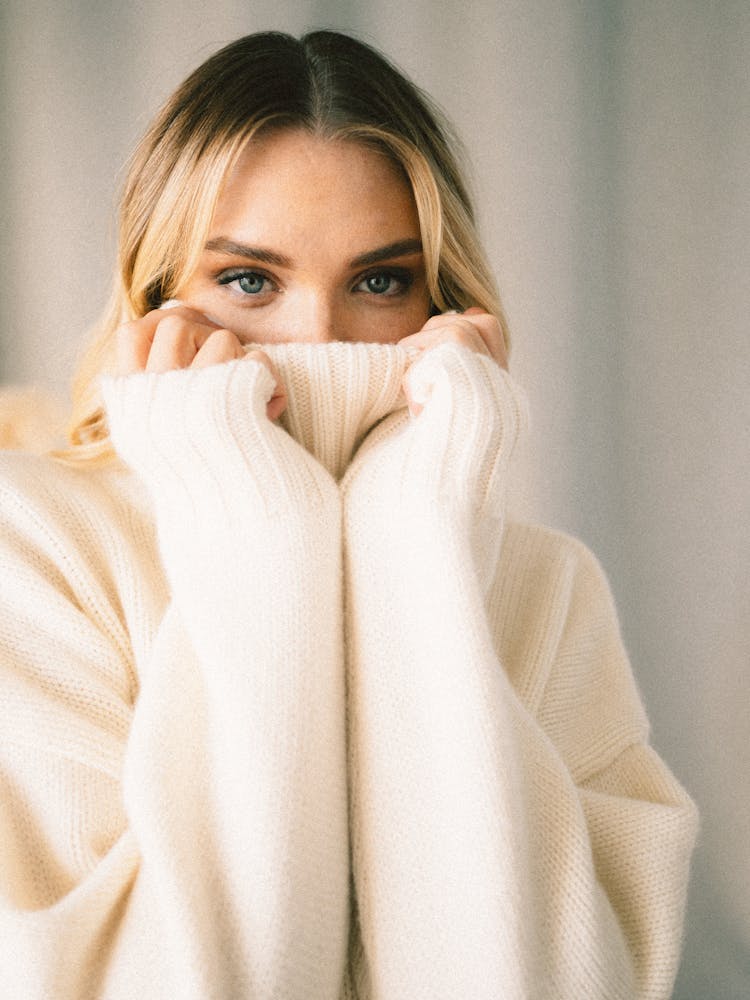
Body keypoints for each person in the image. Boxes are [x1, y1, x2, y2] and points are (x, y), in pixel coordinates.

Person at [0, 29, 697, 1000]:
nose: (315, 337)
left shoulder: (548, 586)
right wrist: (261, 536)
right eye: (249, 280)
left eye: (379, 282)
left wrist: (412, 547)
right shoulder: (36, 546)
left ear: (440, 302)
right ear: (157, 296)